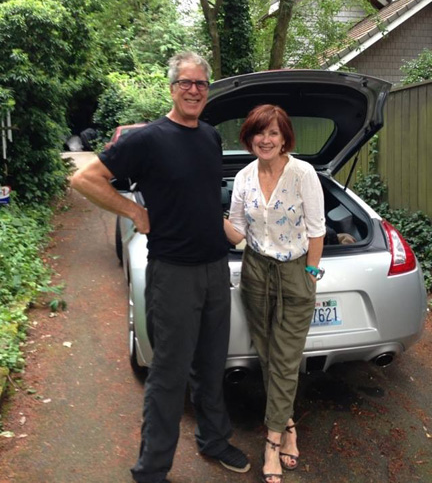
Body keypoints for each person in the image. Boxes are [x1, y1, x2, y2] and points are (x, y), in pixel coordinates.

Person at [71, 51, 250, 483]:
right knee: (168, 375)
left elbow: (208, 206)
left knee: (212, 365)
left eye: (201, 84)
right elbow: (84, 179)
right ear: (171, 88)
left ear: (208, 90)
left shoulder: (208, 137)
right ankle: (151, 470)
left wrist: (247, 242)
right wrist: (135, 214)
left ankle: (213, 440)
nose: (193, 90)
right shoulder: (147, 139)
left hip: (214, 270)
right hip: (173, 274)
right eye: (185, 83)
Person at [224, 104, 326, 483]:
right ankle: (289, 425)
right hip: (255, 271)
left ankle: (271, 442)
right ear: (249, 138)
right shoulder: (244, 177)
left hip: (294, 271)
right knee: (267, 354)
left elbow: (317, 230)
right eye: (258, 133)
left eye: (273, 133)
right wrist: (201, 206)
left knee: (285, 357)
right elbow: (236, 232)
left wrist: (311, 275)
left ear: (285, 137)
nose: (265, 140)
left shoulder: (303, 174)